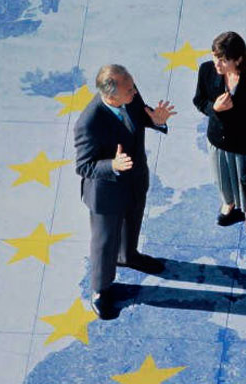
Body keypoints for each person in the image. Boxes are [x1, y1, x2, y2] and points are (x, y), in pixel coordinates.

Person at [74, 64, 177, 319]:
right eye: (129, 90)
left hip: (135, 178)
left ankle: (129, 255)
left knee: (133, 220)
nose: (135, 92)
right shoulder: (88, 123)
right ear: (111, 95)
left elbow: (140, 115)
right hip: (106, 192)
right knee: (104, 242)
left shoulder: (129, 94)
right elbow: (84, 166)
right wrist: (112, 165)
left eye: (132, 86)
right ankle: (101, 290)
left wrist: (156, 121)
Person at [193, 31, 246, 239]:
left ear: (238, 59)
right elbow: (199, 100)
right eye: (215, 57)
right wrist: (214, 109)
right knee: (222, 179)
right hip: (219, 142)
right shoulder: (207, 70)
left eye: (223, 60)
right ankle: (229, 203)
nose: (217, 64)